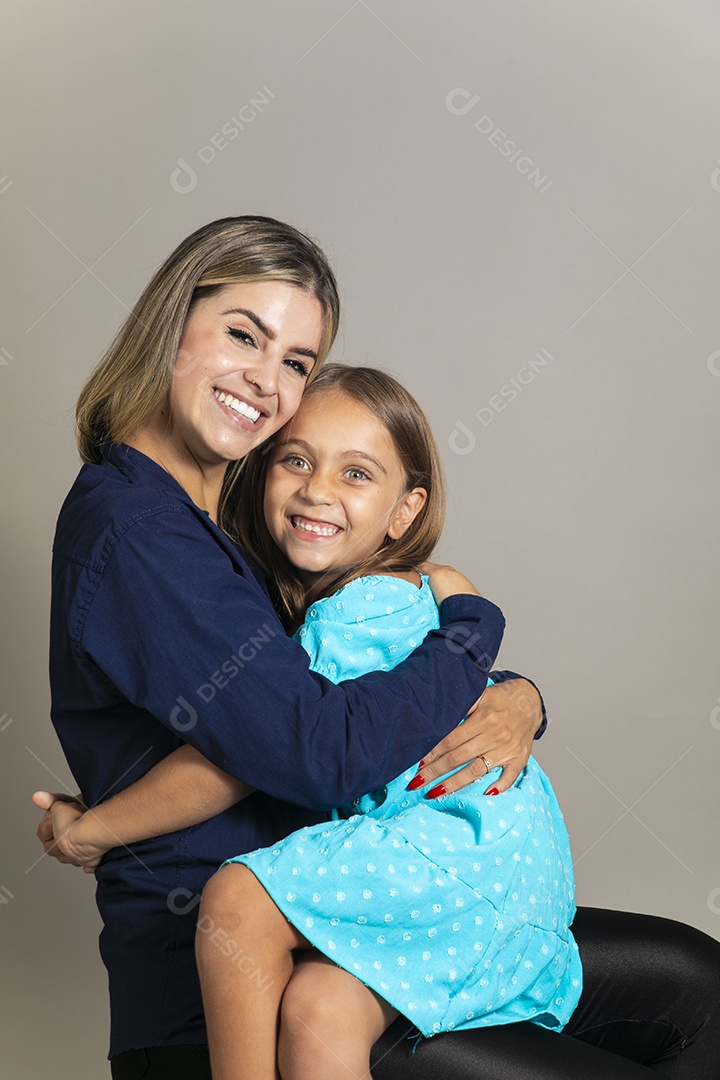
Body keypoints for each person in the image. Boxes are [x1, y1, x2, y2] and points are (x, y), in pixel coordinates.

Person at [34, 216, 720, 1079]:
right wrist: (471, 637)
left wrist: (516, 696)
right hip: (246, 981)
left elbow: (340, 688)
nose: (265, 378)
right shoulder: (144, 534)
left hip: (350, 920)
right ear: (174, 323)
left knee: (696, 985)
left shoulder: (222, 531)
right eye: (244, 334)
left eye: (296, 362)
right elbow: (309, 746)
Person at [47, 364, 582, 1079]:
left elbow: (264, 754)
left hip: (456, 855)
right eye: (295, 460)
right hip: (517, 870)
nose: (318, 489)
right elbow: (433, 693)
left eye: (356, 474)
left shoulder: (353, 612)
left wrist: (91, 829)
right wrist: (501, 664)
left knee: (238, 899)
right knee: (321, 1009)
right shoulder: (396, 595)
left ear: (405, 510)